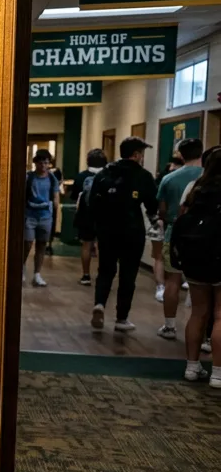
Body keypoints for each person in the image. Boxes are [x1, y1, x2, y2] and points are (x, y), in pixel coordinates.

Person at [89, 136, 157, 331]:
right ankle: (121, 318)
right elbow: (152, 205)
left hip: (107, 231)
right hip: (132, 231)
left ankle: (99, 303)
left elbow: (92, 203)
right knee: (128, 275)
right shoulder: (143, 176)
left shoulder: (103, 174)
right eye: (142, 154)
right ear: (136, 155)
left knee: (105, 270)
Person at [169, 148, 221, 384]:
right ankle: (218, 373)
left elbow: (182, 216)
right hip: (219, 256)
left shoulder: (194, 187)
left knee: (198, 312)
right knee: (220, 315)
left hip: (195, 256)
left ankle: (192, 367)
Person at [156, 139, 203, 340]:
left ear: (181, 155)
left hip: (174, 234)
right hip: (204, 237)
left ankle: (169, 325)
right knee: (201, 284)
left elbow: (163, 210)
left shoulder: (169, 178)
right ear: (201, 153)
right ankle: (202, 332)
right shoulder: (208, 178)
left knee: (172, 281)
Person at [67, 148, 108, 286]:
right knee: (103, 246)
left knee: (86, 244)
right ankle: (103, 275)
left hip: (86, 215)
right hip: (104, 215)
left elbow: (74, 196)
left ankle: (86, 275)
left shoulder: (81, 176)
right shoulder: (108, 175)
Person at [22, 149, 59, 287]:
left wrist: (55, 211)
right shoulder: (29, 177)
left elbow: (55, 196)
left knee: (42, 244)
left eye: (46, 163)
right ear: (35, 163)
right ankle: (23, 266)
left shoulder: (51, 178)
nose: (43, 166)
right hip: (30, 214)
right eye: (41, 163)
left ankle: (37, 274)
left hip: (45, 216)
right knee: (27, 242)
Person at [151, 155, 183, 302]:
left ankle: (161, 286)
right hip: (171, 222)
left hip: (161, 222)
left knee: (160, 257)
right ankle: (166, 285)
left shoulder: (164, 179)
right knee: (165, 256)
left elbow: (158, 204)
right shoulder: (184, 179)